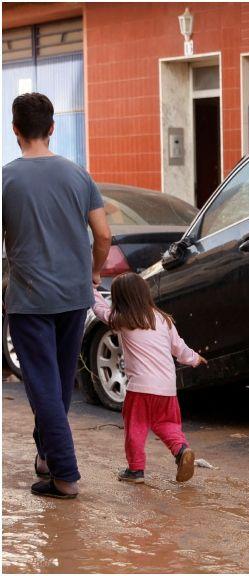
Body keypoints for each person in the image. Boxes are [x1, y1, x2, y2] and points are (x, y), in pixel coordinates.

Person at [3, 92, 111, 499]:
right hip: (73, 294)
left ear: (15, 130)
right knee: (60, 384)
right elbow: (102, 235)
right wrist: (94, 272)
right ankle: (47, 457)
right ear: (52, 128)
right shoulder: (78, 175)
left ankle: (64, 476)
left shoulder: (6, 179)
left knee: (44, 388)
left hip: (29, 300)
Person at [90, 273, 207, 483]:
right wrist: (194, 358)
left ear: (120, 299)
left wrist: (90, 289)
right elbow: (179, 348)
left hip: (140, 389)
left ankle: (135, 470)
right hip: (167, 388)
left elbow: (99, 309)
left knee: (136, 427)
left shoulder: (123, 320)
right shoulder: (163, 319)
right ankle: (181, 450)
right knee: (167, 424)